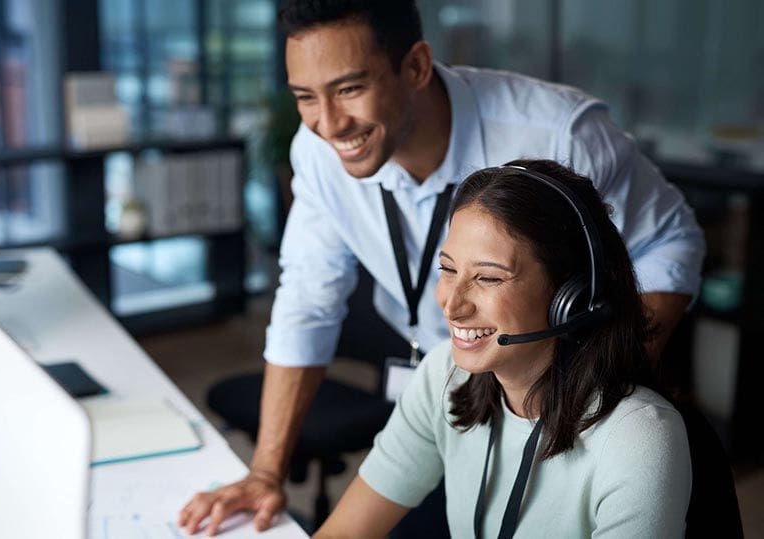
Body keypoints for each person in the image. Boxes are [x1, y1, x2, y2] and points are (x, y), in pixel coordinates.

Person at [178, 1, 704, 535]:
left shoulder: (558, 134)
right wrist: (267, 471)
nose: (329, 123)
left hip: (558, 390)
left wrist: (594, 386)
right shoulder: (318, 152)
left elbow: (669, 242)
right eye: (305, 98)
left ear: (416, 66)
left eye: (349, 89)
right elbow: (307, 301)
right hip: (456, 391)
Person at [314, 161, 692, 538]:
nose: (452, 304)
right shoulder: (444, 375)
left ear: (572, 298)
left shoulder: (638, 438)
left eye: (489, 277)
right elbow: (347, 531)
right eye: (448, 270)